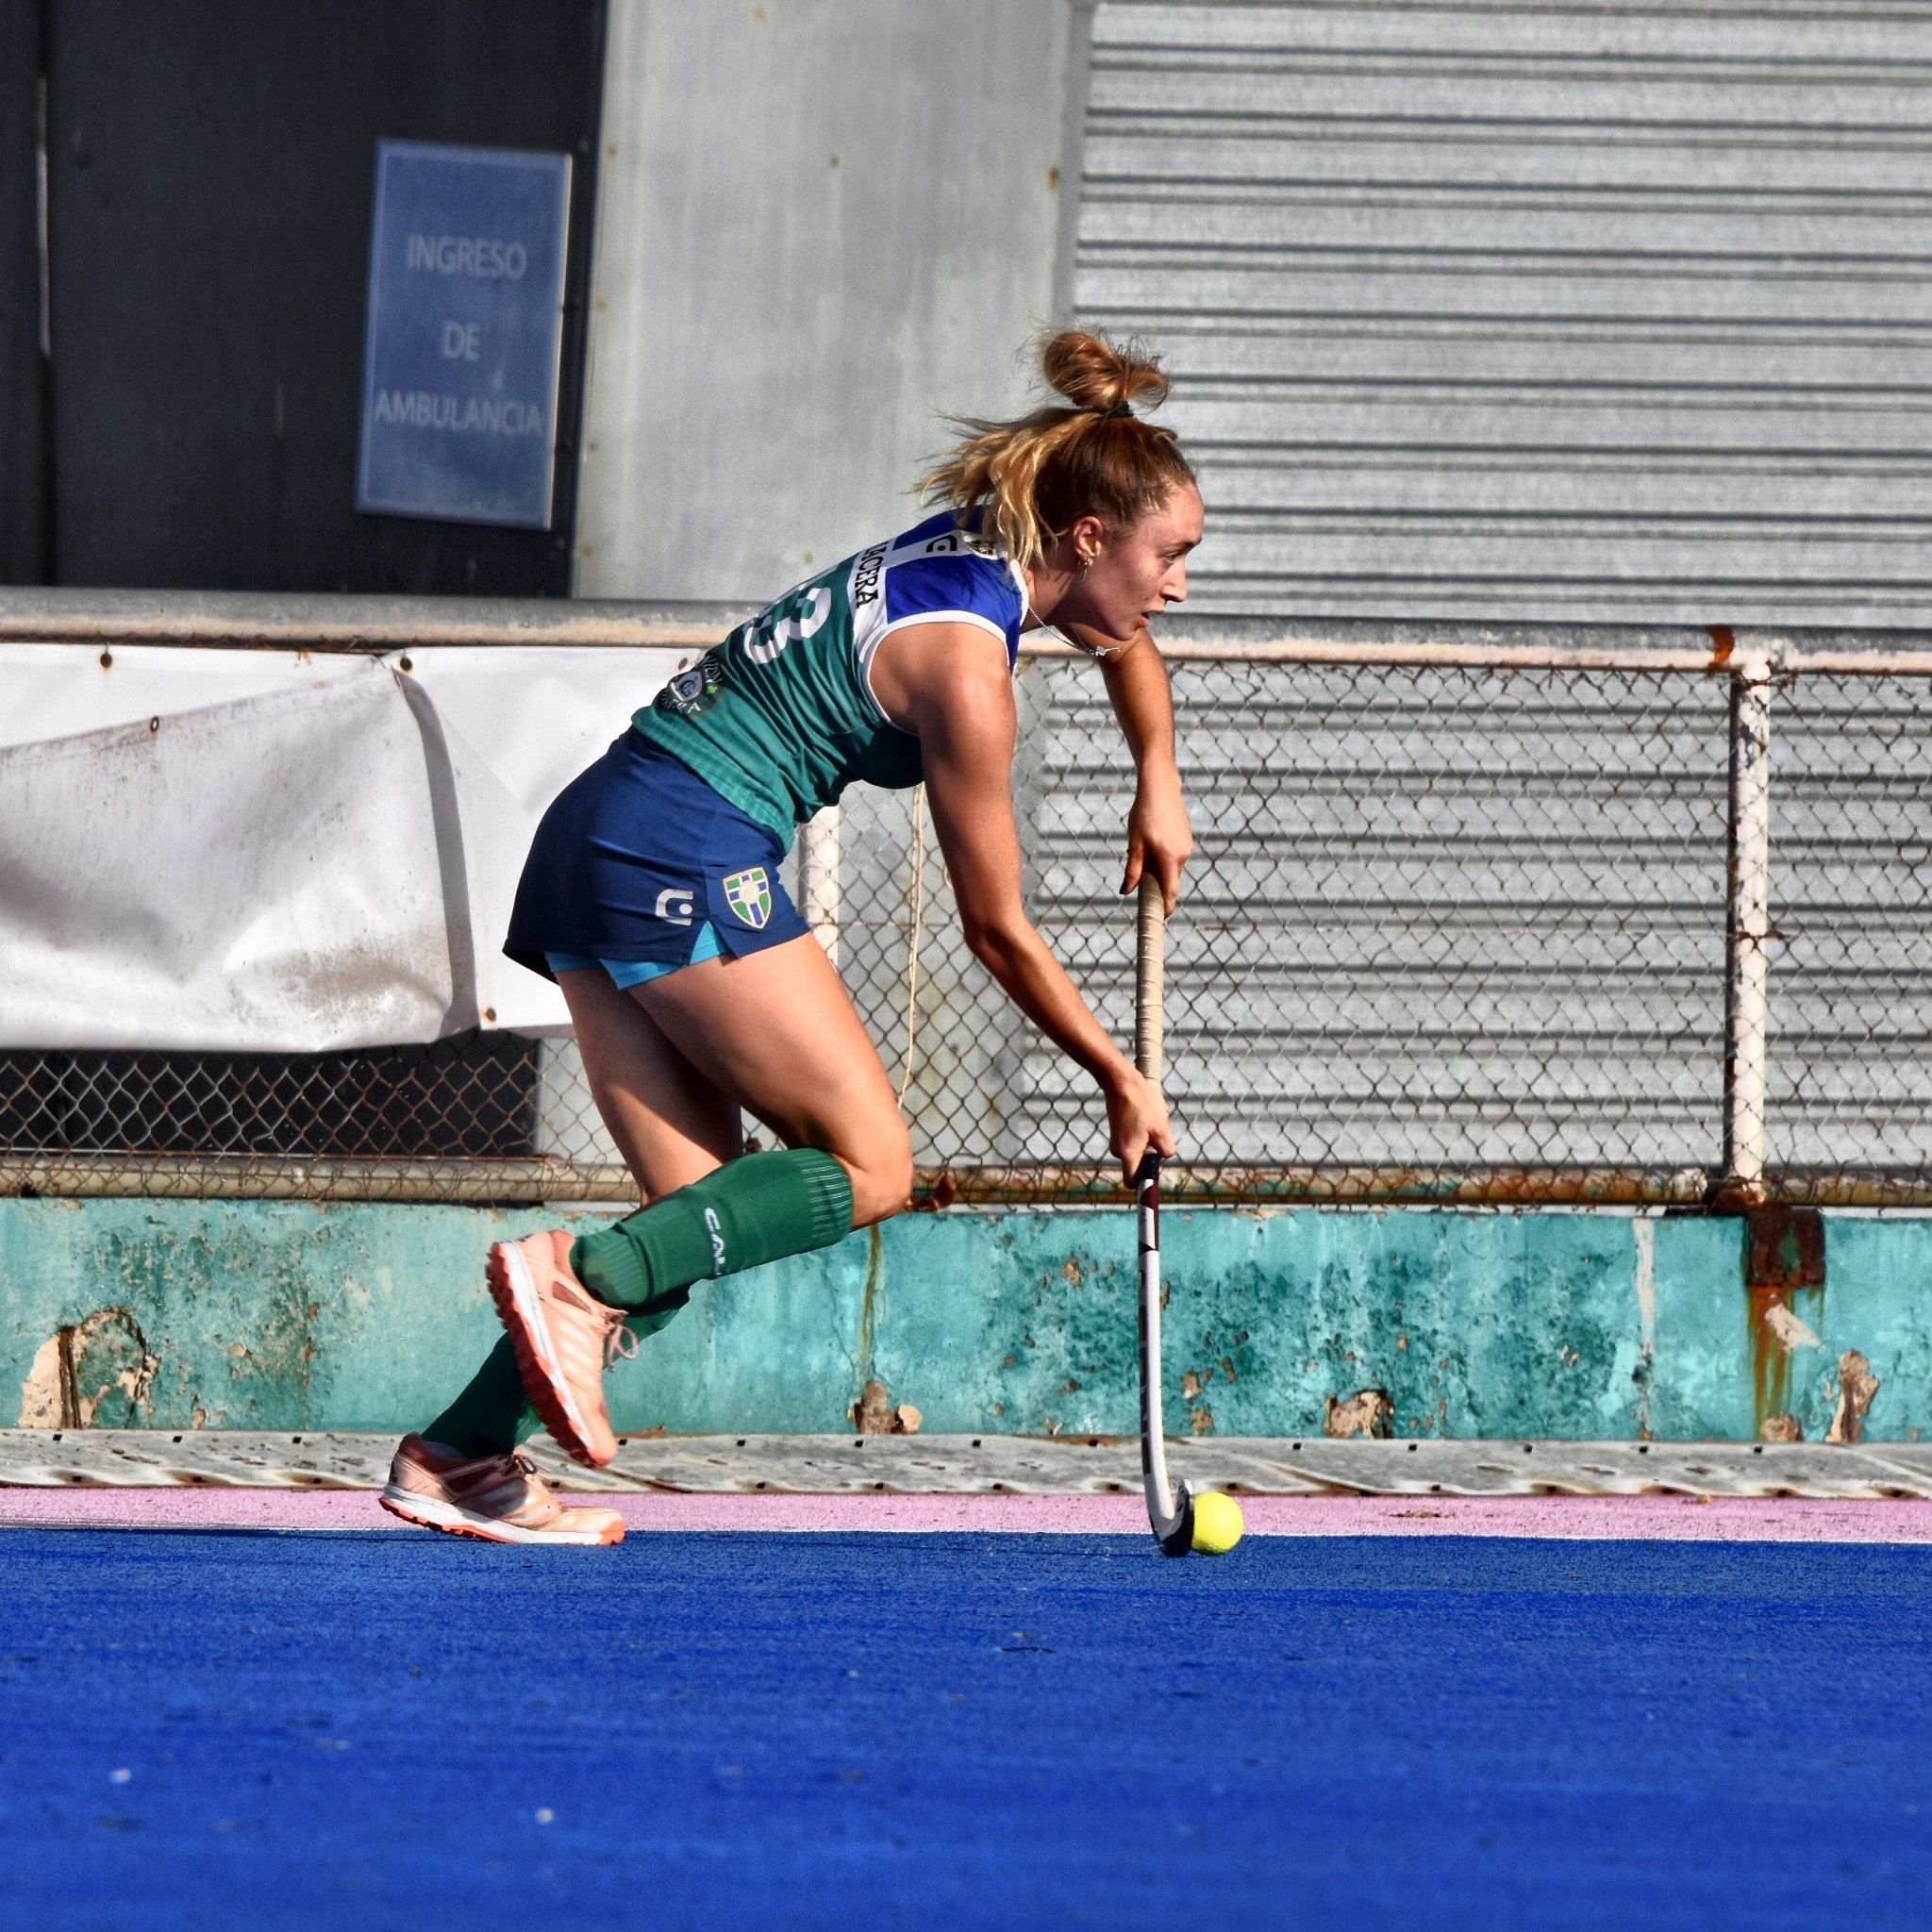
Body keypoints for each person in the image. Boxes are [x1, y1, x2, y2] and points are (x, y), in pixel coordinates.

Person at [379, 330, 1203, 1544]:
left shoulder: (989, 537)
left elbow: (1122, 637)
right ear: (1087, 537)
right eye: (1168, 558)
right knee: (871, 1164)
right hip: (681, 846)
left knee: (692, 1221)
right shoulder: (968, 676)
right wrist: (1117, 1077)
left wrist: (1156, 769)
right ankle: (570, 1281)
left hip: (600, 827)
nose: (1174, 587)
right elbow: (994, 928)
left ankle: (455, 1455)